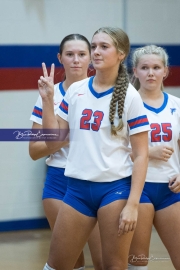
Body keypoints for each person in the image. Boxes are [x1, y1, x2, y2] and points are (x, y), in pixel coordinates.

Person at [39, 27, 150, 270]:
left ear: (121, 54)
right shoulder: (76, 90)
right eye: (94, 46)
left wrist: (132, 204)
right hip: (76, 190)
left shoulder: (131, 97)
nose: (96, 52)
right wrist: (48, 100)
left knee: (112, 265)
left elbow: (141, 154)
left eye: (104, 47)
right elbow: (53, 142)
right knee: (55, 265)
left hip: (115, 191)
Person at [29, 34, 102, 270]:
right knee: (69, 261)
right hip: (58, 181)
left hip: (96, 180)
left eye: (82, 54)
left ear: (91, 57)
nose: (76, 60)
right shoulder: (47, 95)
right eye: (69, 54)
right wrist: (67, 137)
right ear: (60, 58)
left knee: (105, 261)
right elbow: (34, 150)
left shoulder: (105, 93)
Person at [128, 45, 180, 270]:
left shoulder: (177, 105)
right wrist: (150, 152)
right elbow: (113, 150)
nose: (151, 73)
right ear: (135, 71)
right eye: (145, 67)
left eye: (156, 67)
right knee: (139, 261)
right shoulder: (127, 105)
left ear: (165, 71)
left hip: (170, 189)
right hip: (139, 189)